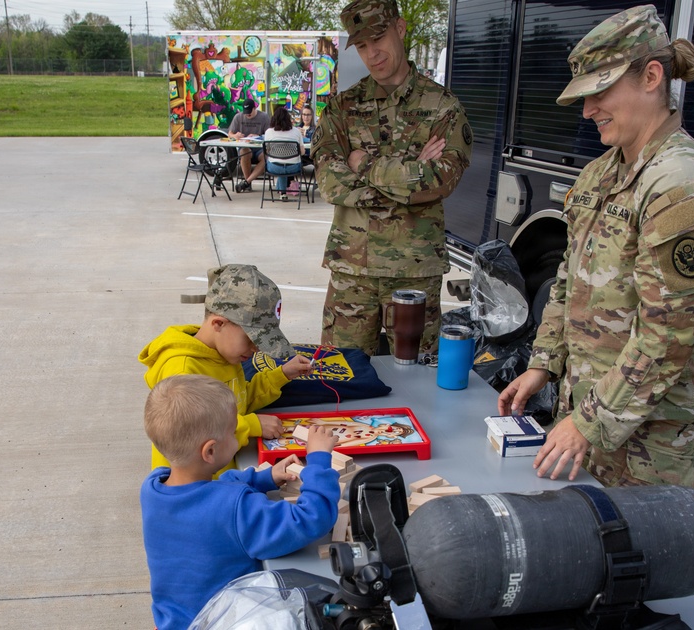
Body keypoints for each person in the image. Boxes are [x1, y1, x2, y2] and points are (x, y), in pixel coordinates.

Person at [497, 5, 694, 488]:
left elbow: (668, 338)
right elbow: (568, 281)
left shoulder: (681, 186)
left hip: (653, 424)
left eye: (600, 92)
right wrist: (544, 364)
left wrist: (588, 422)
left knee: (641, 545)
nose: (587, 111)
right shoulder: (600, 172)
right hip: (593, 403)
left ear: (651, 77)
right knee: (591, 535)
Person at [312, 0, 472, 357]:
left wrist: (364, 165)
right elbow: (329, 182)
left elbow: (440, 182)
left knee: (418, 382)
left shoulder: (443, 108)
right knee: (341, 377)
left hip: (414, 272)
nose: (373, 53)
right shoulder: (342, 108)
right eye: (362, 46)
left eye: (379, 38)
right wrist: (408, 179)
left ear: (400, 29)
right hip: (352, 271)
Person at [141, 374, 340, 630]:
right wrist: (319, 460)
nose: (237, 436)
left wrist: (265, 477)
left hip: (173, 620)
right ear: (210, 451)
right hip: (224, 621)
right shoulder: (234, 509)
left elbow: (214, 488)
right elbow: (310, 520)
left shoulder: (154, 488)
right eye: (233, 431)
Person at [139, 264, 312, 475]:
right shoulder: (183, 370)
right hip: (198, 490)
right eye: (251, 339)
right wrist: (251, 425)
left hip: (222, 475)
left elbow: (239, 401)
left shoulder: (224, 354)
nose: (256, 349)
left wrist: (281, 375)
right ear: (219, 323)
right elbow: (193, 433)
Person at [263, 106, 305, 202]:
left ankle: (282, 192)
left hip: (274, 168)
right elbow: (302, 152)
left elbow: (268, 151)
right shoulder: (296, 132)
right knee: (285, 162)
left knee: (280, 162)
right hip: (293, 168)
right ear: (288, 119)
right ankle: (282, 192)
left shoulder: (268, 132)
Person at [228, 99, 270, 193]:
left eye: (249, 112)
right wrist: (235, 136)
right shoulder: (238, 117)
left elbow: (269, 134)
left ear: (255, 108)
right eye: (245, 113)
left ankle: (246, 182)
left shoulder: (264, 117)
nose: (247, 115)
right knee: (244, 152)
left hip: (259, 148)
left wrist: (258, 136)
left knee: (266, 158)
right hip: (245, 146)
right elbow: (230, 134)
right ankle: (247, 183)